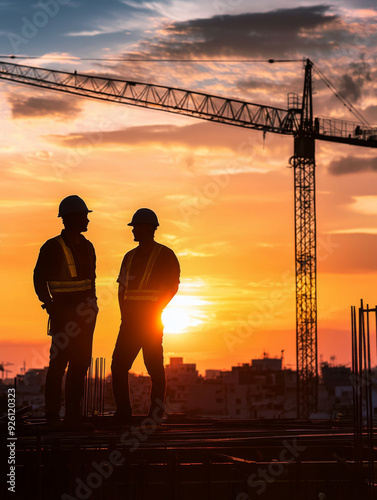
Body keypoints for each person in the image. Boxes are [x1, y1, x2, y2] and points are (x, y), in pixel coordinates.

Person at [33, 195, 98, 430]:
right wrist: (49, 304)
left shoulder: (88, 247)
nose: (87, 220)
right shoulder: (52, 247)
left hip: (85, 318)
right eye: (84, 216)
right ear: (72, 219)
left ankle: (72, 417)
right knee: (59, 364)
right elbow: (39, 279)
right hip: (63, 317)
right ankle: (52, 416)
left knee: (80, 365)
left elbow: (91, 281)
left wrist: (93, 305)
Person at [111, 208, 180, 423]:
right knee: (118, 366)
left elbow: (172, 286)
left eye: (136, 227)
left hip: (150, 321)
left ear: (148, 229)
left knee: (154, 368)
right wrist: (125, 315)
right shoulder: (129, 257)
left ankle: (156, 412)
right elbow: (122, 289)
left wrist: (157, 308)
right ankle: (124, 412)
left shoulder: (165, 255)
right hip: (130, 323)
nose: (133, 231)